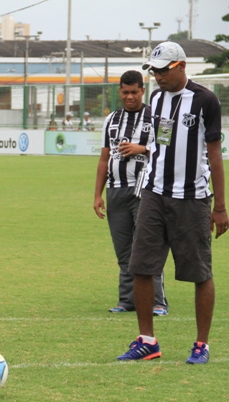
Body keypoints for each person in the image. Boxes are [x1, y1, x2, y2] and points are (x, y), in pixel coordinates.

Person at [117, 42, 227, 364]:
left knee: (200, 272)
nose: (158, 76)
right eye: (154, 70)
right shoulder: (155, 98)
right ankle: (147, 340)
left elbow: (216, 155)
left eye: (164, 70)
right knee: (141, 266)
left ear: (180, 66)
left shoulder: (206, 100)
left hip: (192, 198)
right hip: (153, 193)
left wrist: (220, 207)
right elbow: (160, 144)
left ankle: (201, 345)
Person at [94, 70, 167, 317]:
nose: (129, 97)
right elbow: (104, 158)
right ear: (120, 91)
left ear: (142, 90)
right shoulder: (112, 119)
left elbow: (168, 149)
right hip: (116, 191)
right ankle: (127, 300)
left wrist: (142, 148)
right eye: (125, 92)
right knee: (123, 250)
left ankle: (157, 302)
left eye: (134, 92)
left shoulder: (156, 116)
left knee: (147, 247)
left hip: (146, 191)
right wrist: (97, 194)